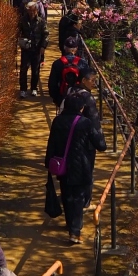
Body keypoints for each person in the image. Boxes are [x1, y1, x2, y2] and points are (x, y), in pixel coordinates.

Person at [45, 68, 107, 244]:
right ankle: (75, 230)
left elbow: (52, 142)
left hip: (63, 164)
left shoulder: (58, 121)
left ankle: (70, 224)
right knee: (78, 197)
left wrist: (49, 161)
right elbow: (99, 144)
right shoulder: (85, 123)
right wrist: (102, 145)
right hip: (82, 164)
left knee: (66, 194)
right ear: (80, 107)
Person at [17, 0, 47, 99]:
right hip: (26, 48)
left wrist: (43, 46)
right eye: (29, 10)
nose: (31, 12)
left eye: (33, 10)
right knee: (23, 69)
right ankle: (23, 89)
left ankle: (34, 88)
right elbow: (17, 32)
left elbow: (46, 34)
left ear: (37, 11)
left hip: (37, 48)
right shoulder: (22, 20)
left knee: (35, 70)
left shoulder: (41, 21)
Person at [47, 40, 88, 107]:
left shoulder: (57, 63)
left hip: (62, 96)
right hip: (79, 96)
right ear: (76, 48)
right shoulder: (82, 63)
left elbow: (52, 83)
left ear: (64, 48)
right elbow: (87, 81)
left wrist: (56, 99)